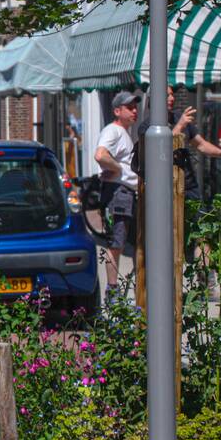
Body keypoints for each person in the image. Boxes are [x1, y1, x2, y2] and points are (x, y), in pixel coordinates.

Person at [136, 86, 221, 202]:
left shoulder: (179, 117)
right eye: (167, 95)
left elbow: (201, 145)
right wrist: (179, 126)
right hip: (164, 188)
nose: (172, 98)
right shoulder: (147, 128)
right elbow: (159, 151)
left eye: (172, 94)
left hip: (189, 185)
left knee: (197, 218)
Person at [94, 91, 140, 296]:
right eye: (129, 108)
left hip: (125, 193)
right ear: (117, 111)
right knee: (116, 243)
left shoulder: (124, 133)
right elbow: (100, 155)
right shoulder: (112, 131)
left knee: (124, 242)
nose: (134, 111)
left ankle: (123, 287)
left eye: (135, 107)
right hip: (118, 194)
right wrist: (118, 169)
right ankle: (112, 291)